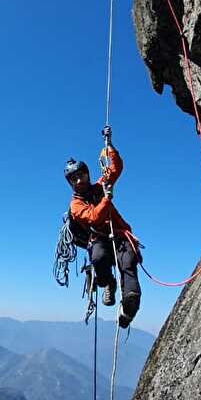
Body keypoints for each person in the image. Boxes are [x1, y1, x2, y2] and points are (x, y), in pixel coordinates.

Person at [64, 126, 141, 328]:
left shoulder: (100, 186)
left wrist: (109, 145)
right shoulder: (75, 205)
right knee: (99, 258)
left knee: (129, 261)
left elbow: (116, 168)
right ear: (71, 184)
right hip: (98, 239)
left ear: (88, 175)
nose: (79, 180)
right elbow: (93, 218)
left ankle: (129, 307)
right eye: (74, 179)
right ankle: (107, 282)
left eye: (81, 175)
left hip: (120, 234)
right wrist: (106, 199)